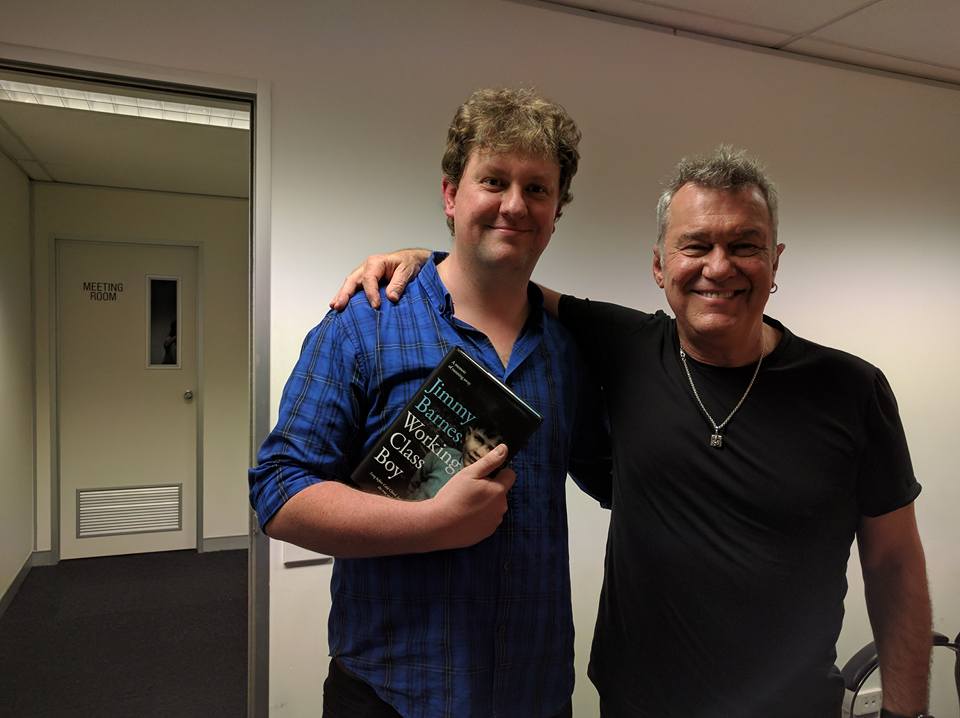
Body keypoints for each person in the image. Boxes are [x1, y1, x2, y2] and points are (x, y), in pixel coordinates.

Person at [331, 146, 933, 718]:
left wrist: (907, 710)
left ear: (775, 261)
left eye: (744, 245)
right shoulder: (624, 348)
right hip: (636, 702)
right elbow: (496, 281)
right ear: (659, 265)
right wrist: (423, 258)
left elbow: (895, 563)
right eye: (695, 245)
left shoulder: (852, 390)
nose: (718, 267)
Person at [249, 88, 609, 718]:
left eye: (538, 189)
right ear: (451, 195)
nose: (515, 205)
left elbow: (613, 475)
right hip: (392, 692)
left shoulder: (568, 349)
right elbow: (278, 493)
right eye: (493, 180)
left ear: (557, 209)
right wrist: (433, 523)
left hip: (535, 690)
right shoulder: (363, 324)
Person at [408, 423, 504, 500]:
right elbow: (414, 484)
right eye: (478, 439)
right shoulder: (442, 454)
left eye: (490, 449)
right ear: (468, 434)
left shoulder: (484, 490)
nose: (478, 452)